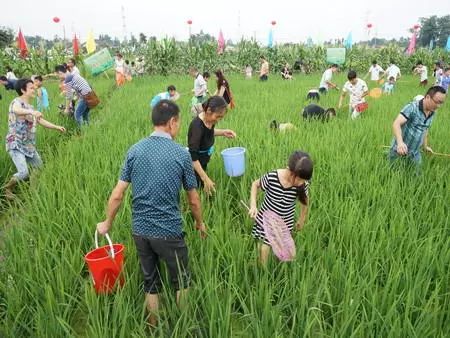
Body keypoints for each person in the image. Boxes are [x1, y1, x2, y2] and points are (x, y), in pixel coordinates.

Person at [96, 100, 206, 328]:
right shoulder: (180, 154)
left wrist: (107, 222)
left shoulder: (135, 150)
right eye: (179, 123)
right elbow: (193, 199)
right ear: (172, 122)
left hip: (141, 231)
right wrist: (200, 223)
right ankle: (183, 326)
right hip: (169, 232)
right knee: (182, 280)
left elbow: (117, 194)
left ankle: (153, 325)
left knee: (150, 281)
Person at [247, 150, 313, 266]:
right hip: (267, 219)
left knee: (283, 253)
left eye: (304, 180)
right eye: (299, 179)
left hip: (284, 223)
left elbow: (305, 202)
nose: (301, 183)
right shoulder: (273, 177)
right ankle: (262, 276)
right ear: (290, 170)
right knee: (264, 250)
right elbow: (255, 185)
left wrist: (302, 219)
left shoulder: (302, 184)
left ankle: (276, 268)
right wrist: (253, 206)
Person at [3, 79, 65, 199]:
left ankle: (33, 191)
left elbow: (41, 121)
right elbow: (16, 110)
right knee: (23, 172)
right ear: (23, 90)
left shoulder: (30, 106)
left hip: (28, 144)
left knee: (38, 167)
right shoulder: (16, 102)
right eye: (31, 88)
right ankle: (7, 189)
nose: (34, 89)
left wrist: (56, 127)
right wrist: (32, 112)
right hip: (15, 142)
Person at [187, 96, 236, 195]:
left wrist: (223, 132)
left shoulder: (209, 120)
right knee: (197, 189)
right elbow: (193, 158)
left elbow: (208, 132)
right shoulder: (197, 127)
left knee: (203, 188)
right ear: (208, 110)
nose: (218, 120)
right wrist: (205, 178)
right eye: (218, 116)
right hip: (195, 166)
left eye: (221, 118)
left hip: (203, 161)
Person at [388, 86, 446, 167]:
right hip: (399, 150)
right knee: (393, 173)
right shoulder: (412, 108)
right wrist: (400, 143)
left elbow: (425, 129)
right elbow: (396, 123)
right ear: (428, 97)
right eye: (437, 102)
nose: (438, 106)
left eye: (441, 103)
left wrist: (425, 146)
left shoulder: (432, 112)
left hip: (415, 152)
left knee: (416, 176)